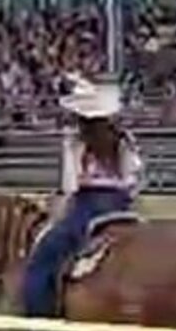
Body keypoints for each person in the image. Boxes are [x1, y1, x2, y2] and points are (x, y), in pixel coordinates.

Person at [21, 78, 144, 318]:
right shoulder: (123, 139)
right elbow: (134, 177)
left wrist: (59, 205)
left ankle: (38, 313)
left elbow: (70, 184)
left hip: (89, 205)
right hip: (121, 205)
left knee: (47, 250)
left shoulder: (76, 142)